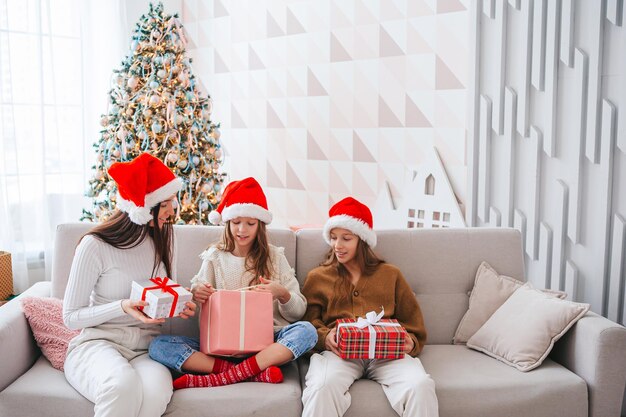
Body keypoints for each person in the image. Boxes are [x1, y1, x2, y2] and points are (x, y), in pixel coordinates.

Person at [149, 177, 317, 389]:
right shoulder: (214, 257)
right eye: (236, 222)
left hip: (266, 346)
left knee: (307, 331)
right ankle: (248, 373)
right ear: (227, 223)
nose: (242, 230)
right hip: (222, 345)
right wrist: (197, 293)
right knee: (158, 346)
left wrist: (282, 293)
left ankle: (223, 376)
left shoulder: (275, 257)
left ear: (260, 225)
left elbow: (298, 312)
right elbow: (197, 308)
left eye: (250, 223)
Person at [63, 153, 196, 417]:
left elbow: (162, 293)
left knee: (155, 393)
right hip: (98, 344)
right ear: (144, 207)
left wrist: (175, 307)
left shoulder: (166, 237)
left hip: (147, 348)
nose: (173, 210)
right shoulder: (95, 246)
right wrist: (122, 307)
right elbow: (70, 318)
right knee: (122, 386)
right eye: (165, 203)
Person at [301, 197, 439, 417]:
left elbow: (414, 325)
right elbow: (306, 323)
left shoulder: (390, 274)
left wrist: (409, 342)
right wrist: (324, 337)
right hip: (340, 354)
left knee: (420, 385)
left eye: (346, 238)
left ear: (362, 240)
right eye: (334, 238)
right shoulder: (318, 277)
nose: (338, 245)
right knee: (322, 386)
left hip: (387, 355)